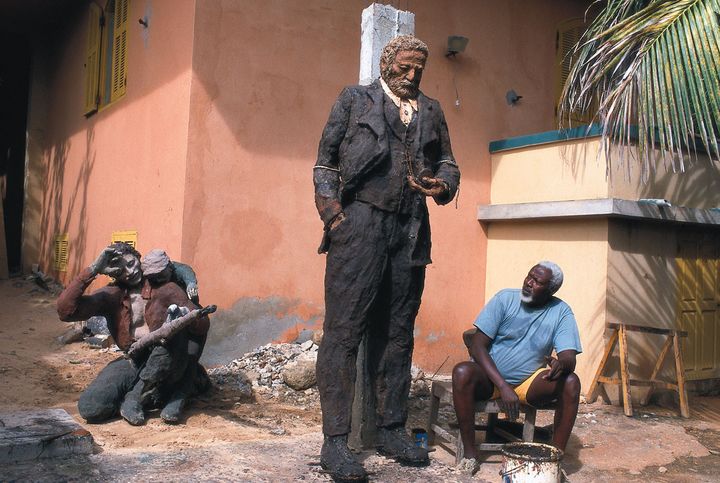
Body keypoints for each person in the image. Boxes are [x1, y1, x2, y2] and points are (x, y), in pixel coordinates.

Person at [313, 35, 460, 481]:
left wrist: (442, 184)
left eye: (420, 69)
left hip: (410, 231)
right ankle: (335, 442)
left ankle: (392, 427)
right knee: (344, 333)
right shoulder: (355, 99)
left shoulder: (432, 110)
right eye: (406, 67)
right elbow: (325, 164)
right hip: (359, 225)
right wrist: (334, 216)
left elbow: (449, 162)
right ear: (388, 63)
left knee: (397, 333)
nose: (413, 76)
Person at [56, 243, 210, 425]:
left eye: (130, 264)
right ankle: (155, 392)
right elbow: (66, 312)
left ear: (138, 258)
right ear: (112, 274)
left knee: (169, 337)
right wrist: (93, 269)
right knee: (91, 408)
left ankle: (140, 396)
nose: (129, 273)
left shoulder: (166, 287)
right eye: (120, 271)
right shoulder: (111, 295)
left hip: (170, 357)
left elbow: (202, 325)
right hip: (135, 359)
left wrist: (187, 317)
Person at [451, 261, 582, 474]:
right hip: (490, 379)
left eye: (537, 282)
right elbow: (477, 345)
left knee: (571, 381)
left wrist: (562, 363)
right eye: (529, 276)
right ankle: (470, 454)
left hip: (528, 382)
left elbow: (569, 357)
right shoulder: (505, 299)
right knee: (462, 372)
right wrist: (502, 386)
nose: (529, 283)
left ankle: (554, 462)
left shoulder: (561, 312)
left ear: (551, 291)